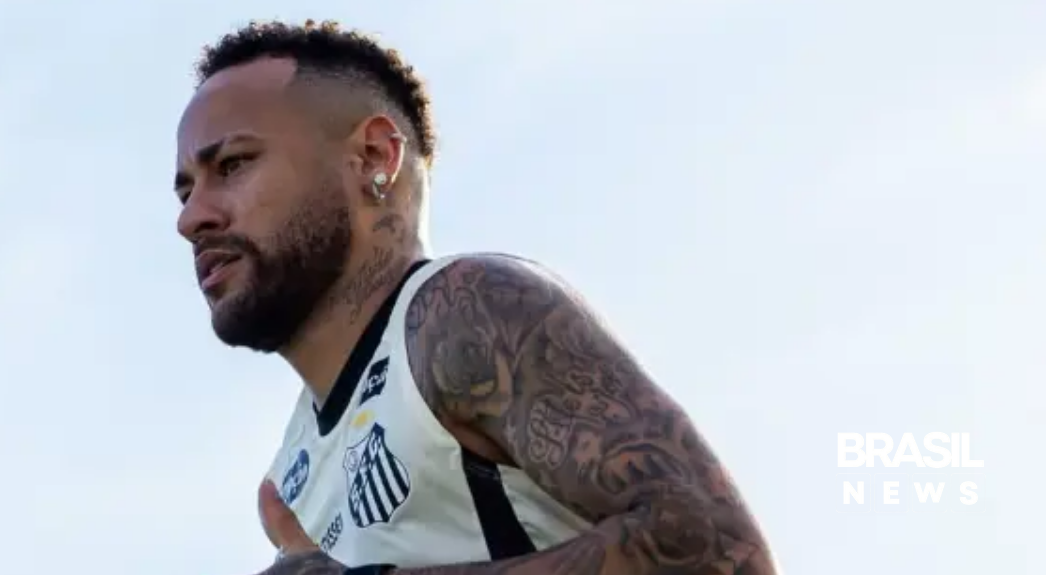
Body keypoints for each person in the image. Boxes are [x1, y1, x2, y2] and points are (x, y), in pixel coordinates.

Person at [173, 19, 779, 575]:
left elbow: (721, 552)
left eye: (232, 164)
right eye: (185, 191)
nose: (192, 218)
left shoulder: (464, 314)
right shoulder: (291, 476)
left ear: (374, 156)